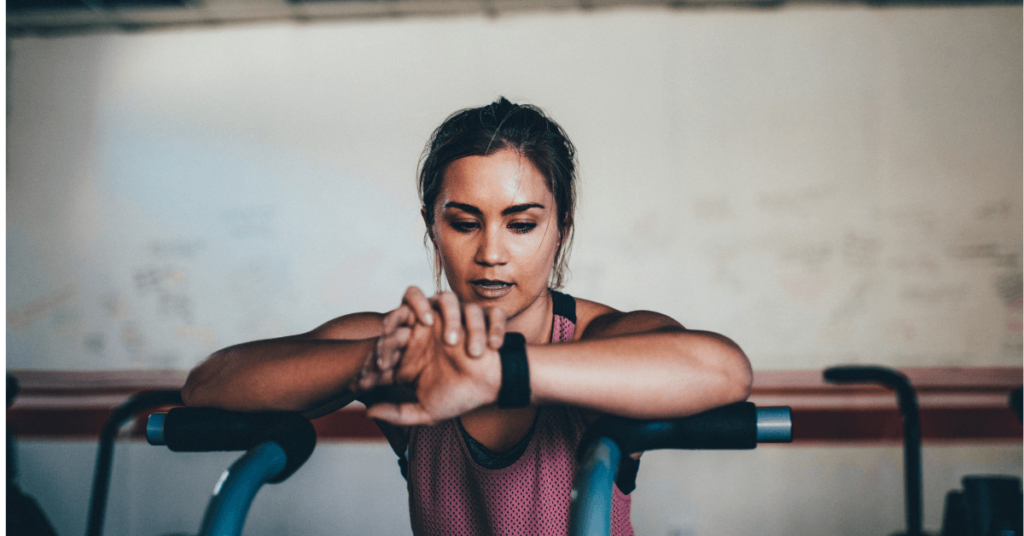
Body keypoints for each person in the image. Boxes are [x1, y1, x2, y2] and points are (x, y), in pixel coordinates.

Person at [182, 97, 752, 536]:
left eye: (522, 224)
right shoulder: (407, 343)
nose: (492, 253)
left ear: (562, 230)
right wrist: (384, 360)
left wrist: (493, 372)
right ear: (433, 227)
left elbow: (723, 370)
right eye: (464, 222)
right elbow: (210, 382)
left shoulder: (599, 338)